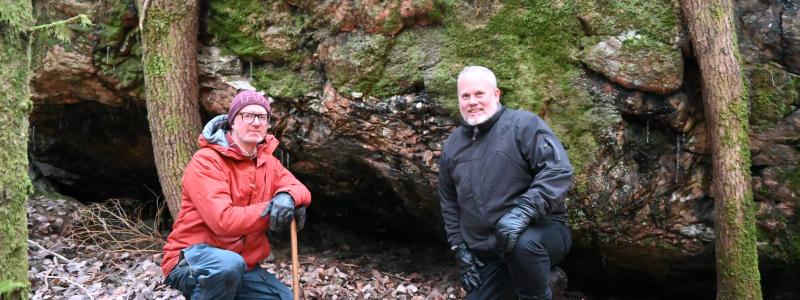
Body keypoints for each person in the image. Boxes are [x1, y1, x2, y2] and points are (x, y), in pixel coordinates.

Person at [438, 66, 574, 300]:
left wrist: (522, 212)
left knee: (523, 244)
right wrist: (459, 248)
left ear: (496, 94)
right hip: (491, 250)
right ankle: (550, 282)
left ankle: (537, 294)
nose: (472, 101)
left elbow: (558, 170)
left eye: (479, 94)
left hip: (543, 233)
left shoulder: (524, 125)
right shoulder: (452, 145)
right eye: (465, 96)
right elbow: (449, 202)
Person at [161, 90, 311, 299]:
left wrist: (288, 197)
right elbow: (223, 221)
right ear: (232, 121)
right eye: (247, 115)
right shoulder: (206, 161)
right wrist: (273, 209)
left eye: (262, 117)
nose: (256, 122)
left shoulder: (269, 163)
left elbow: (299, 188)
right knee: (227, 266)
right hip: (192, 260)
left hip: (242, 266)